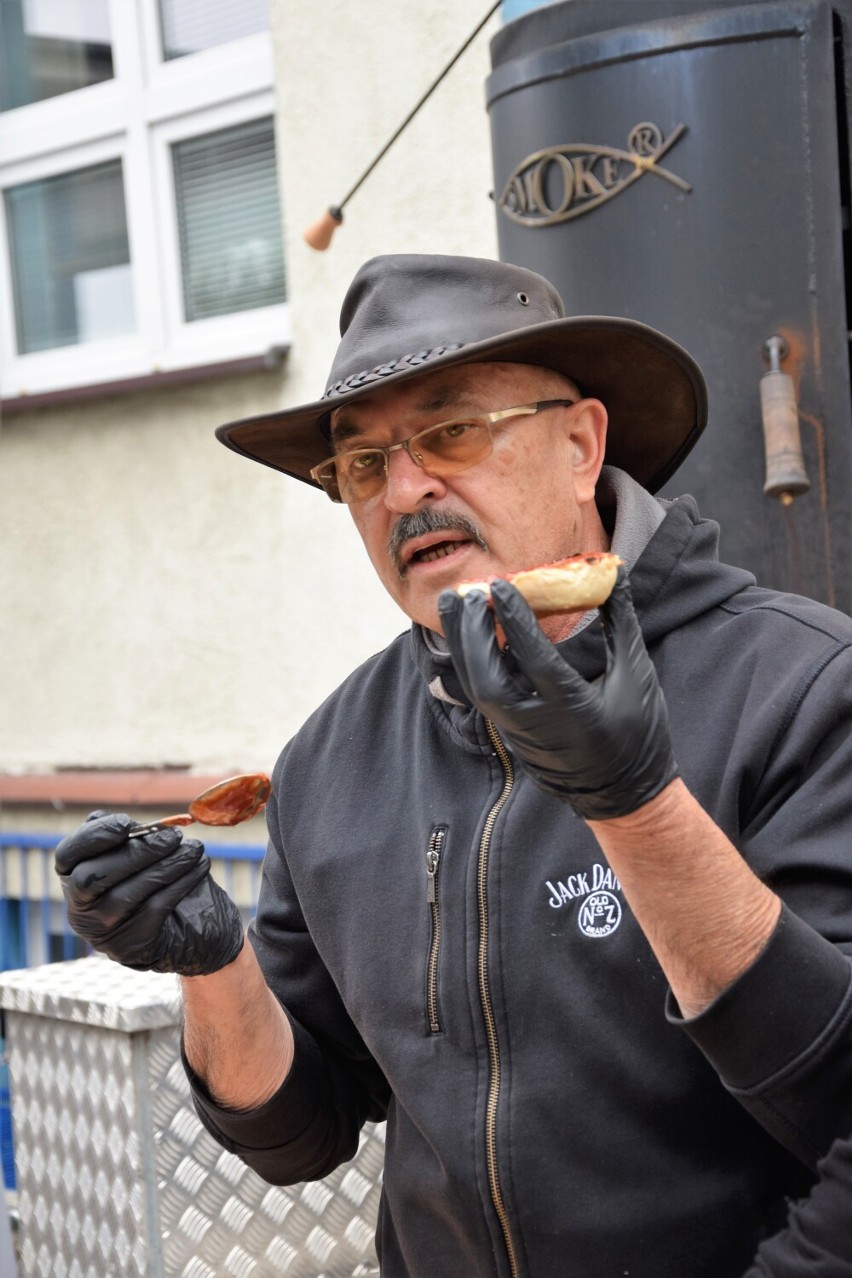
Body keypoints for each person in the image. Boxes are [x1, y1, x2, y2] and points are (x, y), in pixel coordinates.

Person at [55, 255, 852, 1278]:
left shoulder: (803, 689)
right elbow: (300, 1133)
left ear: (580, 444)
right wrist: (213, 966)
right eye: (360, 464)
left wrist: (634, 804)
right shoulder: (332, 756)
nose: (405, 489)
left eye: (451, 432)